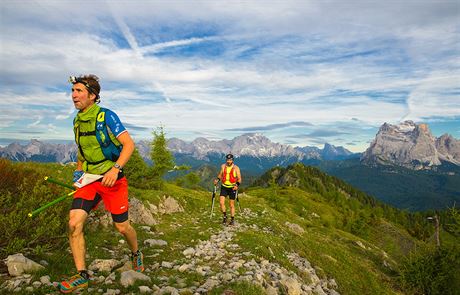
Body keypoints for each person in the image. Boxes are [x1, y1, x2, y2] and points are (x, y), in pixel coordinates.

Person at [58, 74, 143, 293]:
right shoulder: (77, 120)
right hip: (89, 180)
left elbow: (129, 145)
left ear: (93, 96)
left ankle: (136, 253)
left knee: (122, 227)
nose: (73, 95)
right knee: (74, 223)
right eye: (72, 91)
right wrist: (78, 171)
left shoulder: (107, 116)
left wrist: (116, 169)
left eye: (79, 91)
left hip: (112, 179)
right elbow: (82, 150)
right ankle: (82, 275)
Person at [213, 153, 242, 225]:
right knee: (221, 202)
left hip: (232, 188)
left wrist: (237, 185)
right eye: (227, 160)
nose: (228, 161)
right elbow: (220, 174)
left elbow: (239, 179)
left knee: (231, 205)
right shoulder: (223, 166)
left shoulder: (236, 168)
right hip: (224, 187)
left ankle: (232, 219)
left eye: (230, 160)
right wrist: (217, 179)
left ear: (232, 160)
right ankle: (225, 216)